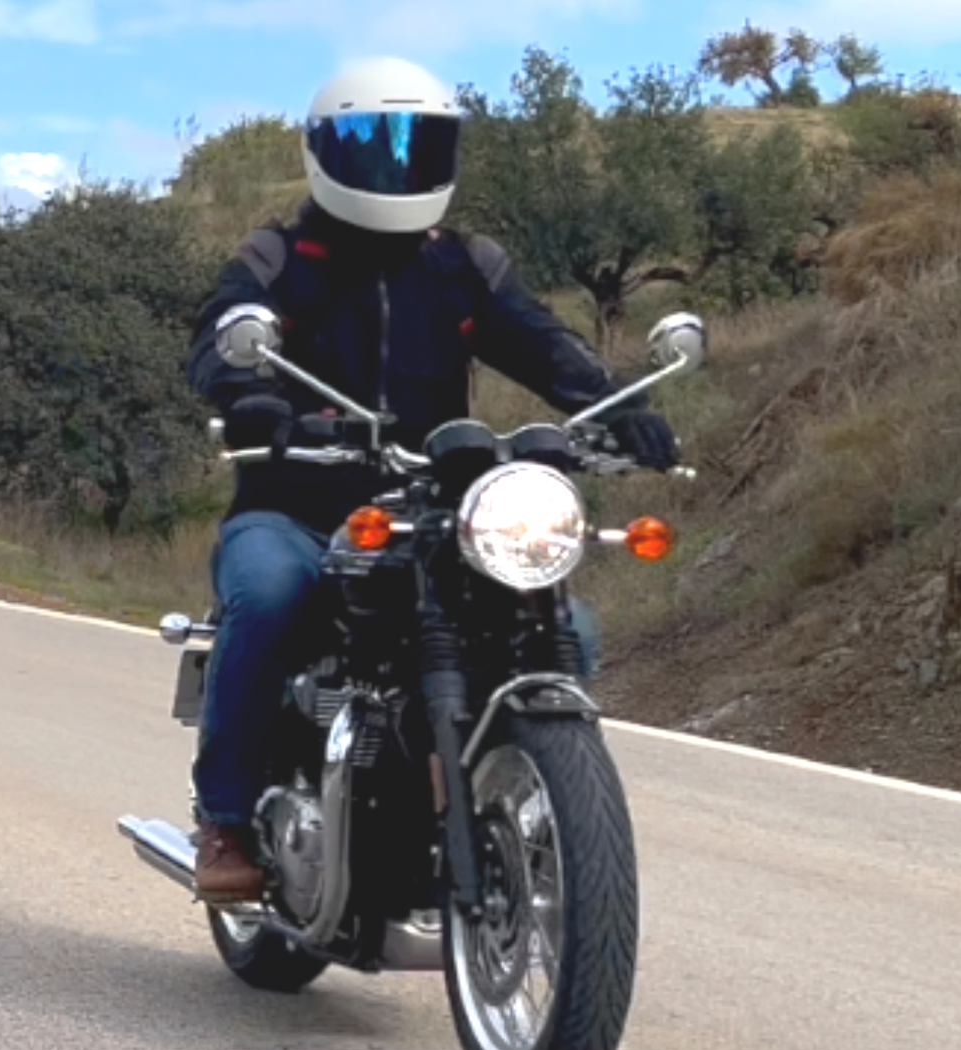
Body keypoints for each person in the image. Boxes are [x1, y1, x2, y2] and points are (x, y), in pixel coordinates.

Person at [180, 56, 683, 902]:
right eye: (370, 144)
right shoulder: (281, 256)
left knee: (568, 626)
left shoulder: (462, 264)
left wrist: (615, 405)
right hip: (296, 503)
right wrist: (251, 396)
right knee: (267, 593)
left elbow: (540, 343)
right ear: (322, 152)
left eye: (415, 146)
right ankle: (225, 815)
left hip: (436, 507)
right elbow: (224, 332)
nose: (394, 165)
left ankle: (505, 795)